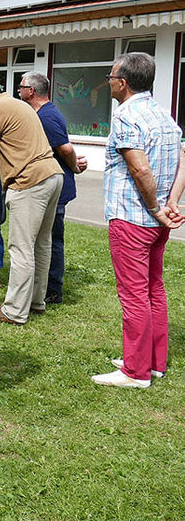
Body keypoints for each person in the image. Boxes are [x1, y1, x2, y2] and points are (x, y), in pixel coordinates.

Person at [92, 52, 185, 388]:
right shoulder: (162, 113)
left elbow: (140, 167)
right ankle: (153, 362)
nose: (109, 80)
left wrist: (159, 207)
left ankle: (135, 371)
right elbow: (181, 155)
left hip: (133, 218)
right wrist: (171, 201)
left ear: (123, 82)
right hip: (156, 220)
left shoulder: (127, 115)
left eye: (111, 75)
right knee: (153, 289)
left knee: (133, 294)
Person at [0, 82, 63, 325]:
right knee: (41, 245)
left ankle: (13, 311)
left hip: (29, 180)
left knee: (21, 248)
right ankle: (35, 302)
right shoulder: (17, 104)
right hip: (52, 175)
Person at [18, 71, 88, 304]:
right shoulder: (41, 113)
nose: (19, 91)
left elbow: (65, 149)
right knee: (43, 237)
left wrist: (75, 167)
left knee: (51, 238)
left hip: (55, 186)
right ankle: (43, 283)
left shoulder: (46, 116)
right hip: (50, 183)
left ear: (32, 91)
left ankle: (53, 289)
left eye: (21, 87)